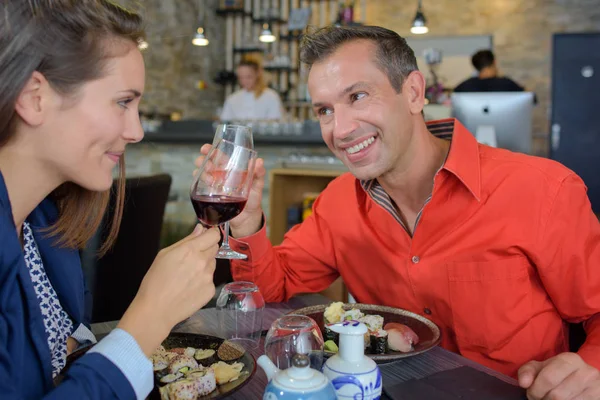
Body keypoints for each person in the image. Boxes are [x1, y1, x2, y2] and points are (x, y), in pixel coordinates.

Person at [197, 26, 600, 399]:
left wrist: (591, 366)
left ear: (413, 93)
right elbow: (270, 289)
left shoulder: (541, 190)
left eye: (357, 96)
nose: (339, 130)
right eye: (324, 110)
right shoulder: (338, 202)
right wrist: (248, 223)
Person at [0, 1, 220, 399]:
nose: (136, 130)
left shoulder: (47, 220)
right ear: (35, 98)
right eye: (123, 102)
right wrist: (147, 320)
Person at [219, 56, 284, 121]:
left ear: (258, 74)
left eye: (249, 77)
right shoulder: (232, 99)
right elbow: (224, 123)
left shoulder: (271, 97)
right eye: (241, 77)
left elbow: (275, 124)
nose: (244, 81)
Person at [454, 49, 529, 94]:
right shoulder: (507, 84)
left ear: (475, 66)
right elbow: (530, 98)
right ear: (494, 62)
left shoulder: (464, 86)